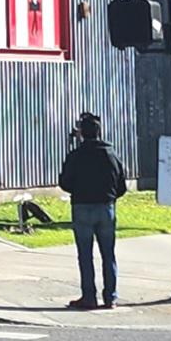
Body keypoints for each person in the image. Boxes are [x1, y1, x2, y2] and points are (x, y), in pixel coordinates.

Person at [58, 112, 128, 309]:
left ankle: (89, 296)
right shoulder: (111, 154)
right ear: (99, 132)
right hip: (106, 207)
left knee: (85, 255)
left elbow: (64, 182)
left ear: (82, 133)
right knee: (108, 253)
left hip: (82, 207)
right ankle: (110, 296)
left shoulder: (76, 155)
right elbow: (121, 184)